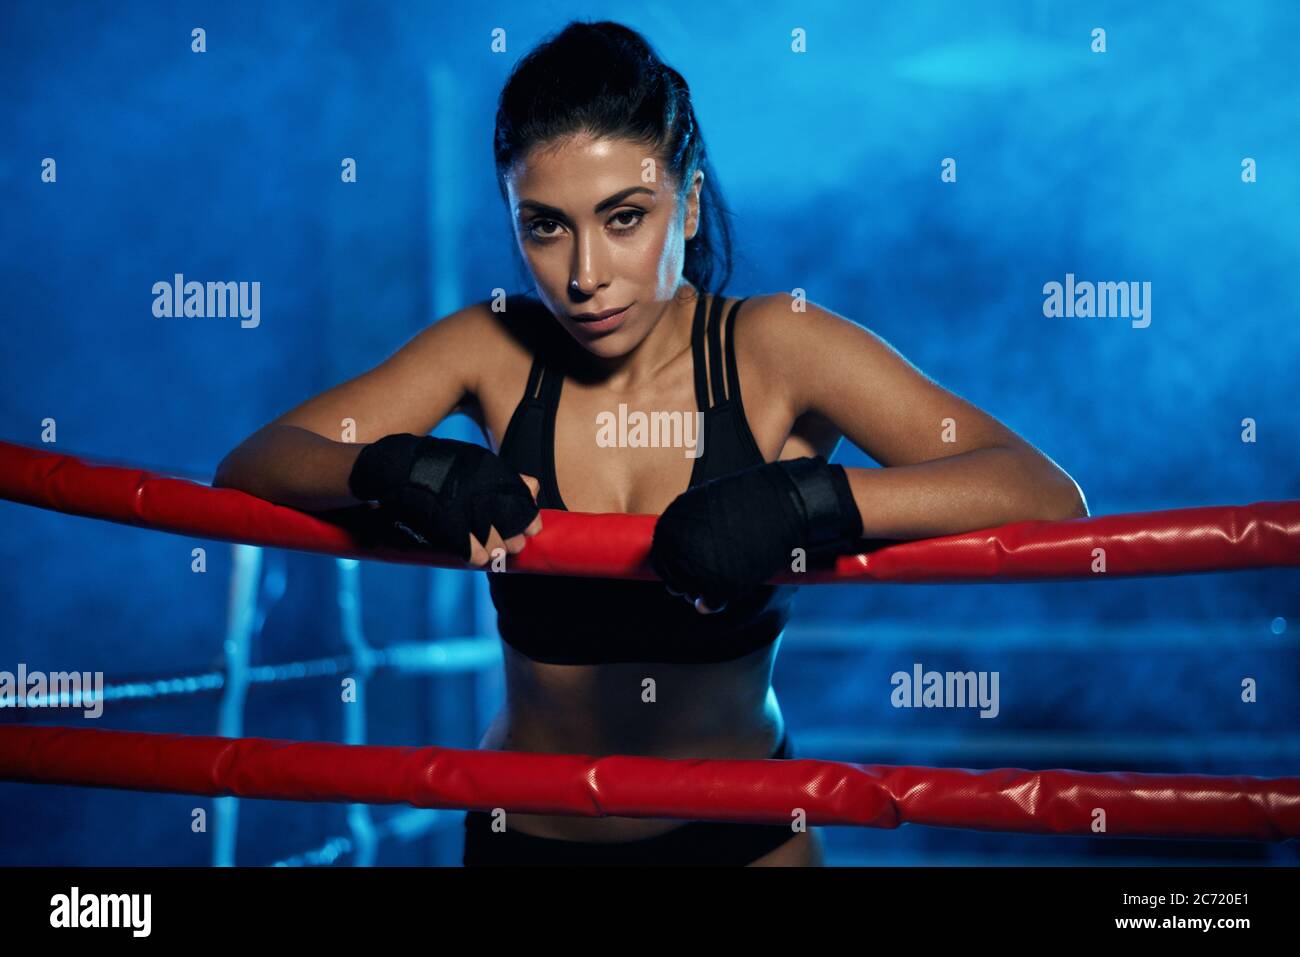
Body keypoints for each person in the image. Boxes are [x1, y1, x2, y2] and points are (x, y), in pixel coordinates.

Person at [213, 20, 1087, 866]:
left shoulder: (780, 349)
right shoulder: (492, 346)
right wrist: (398, 469)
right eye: (545, 226)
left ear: (692, 201)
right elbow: (253, 463)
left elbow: (1043, 492)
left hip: (745, 837)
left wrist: (811, 502)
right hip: (530, 840)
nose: (585, 275)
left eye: (625, 217)